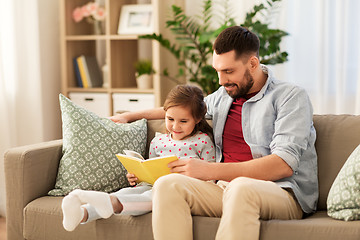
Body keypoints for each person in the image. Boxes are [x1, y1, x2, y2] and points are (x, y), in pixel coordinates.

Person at [110, 26, 318, 240]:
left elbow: (282, 165)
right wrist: (130, 115)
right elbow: (183, 110)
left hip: (281, 192)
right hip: (225, 189)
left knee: (241, 186)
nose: (221, 80)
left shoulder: (290, 97)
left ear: (253, 64)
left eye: (228, 71)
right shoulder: (224, 95)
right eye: (218, 71)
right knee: (167, 184)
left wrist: (209, 170)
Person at [61, 85, 216, 232]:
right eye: (170, 119)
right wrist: (137, 176)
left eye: (183, 121)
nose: (175, 126)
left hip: (177, 191)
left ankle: (111, 203)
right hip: (151, 185)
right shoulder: (158, 141)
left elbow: (211, 176)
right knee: (126, 191)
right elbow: (151, 169)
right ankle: (82, 213)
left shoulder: (203, 141)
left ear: (197, 119)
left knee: (151, 196)